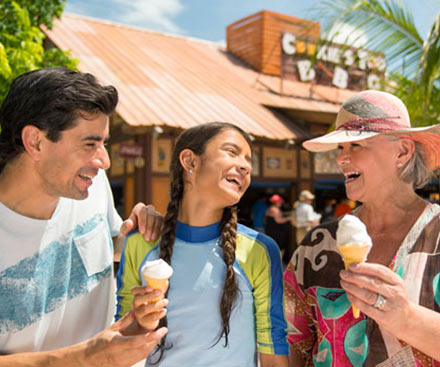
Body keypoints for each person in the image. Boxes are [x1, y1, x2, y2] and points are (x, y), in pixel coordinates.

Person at [0, 68, 166, 367]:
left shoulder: (91, 187)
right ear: (35, 142)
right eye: (90, 144)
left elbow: (108, 247)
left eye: (104, 143)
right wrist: (86, 358)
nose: (104, 161)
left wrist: (133, 238)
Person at [284, 90, 440, 366]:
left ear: (402, 151)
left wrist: (405, 318)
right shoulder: (317, 245)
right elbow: (293, 342)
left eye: (356, 145)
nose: (341, 159)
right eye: (340, 148)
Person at [116, 122, 289, 366]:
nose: (245, 166)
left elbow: (272, 341)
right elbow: (119, 341)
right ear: (190, 161)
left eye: (249, 160)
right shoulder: (140, 243)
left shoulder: (259, 249)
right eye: (232, 151)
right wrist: (139, 322)